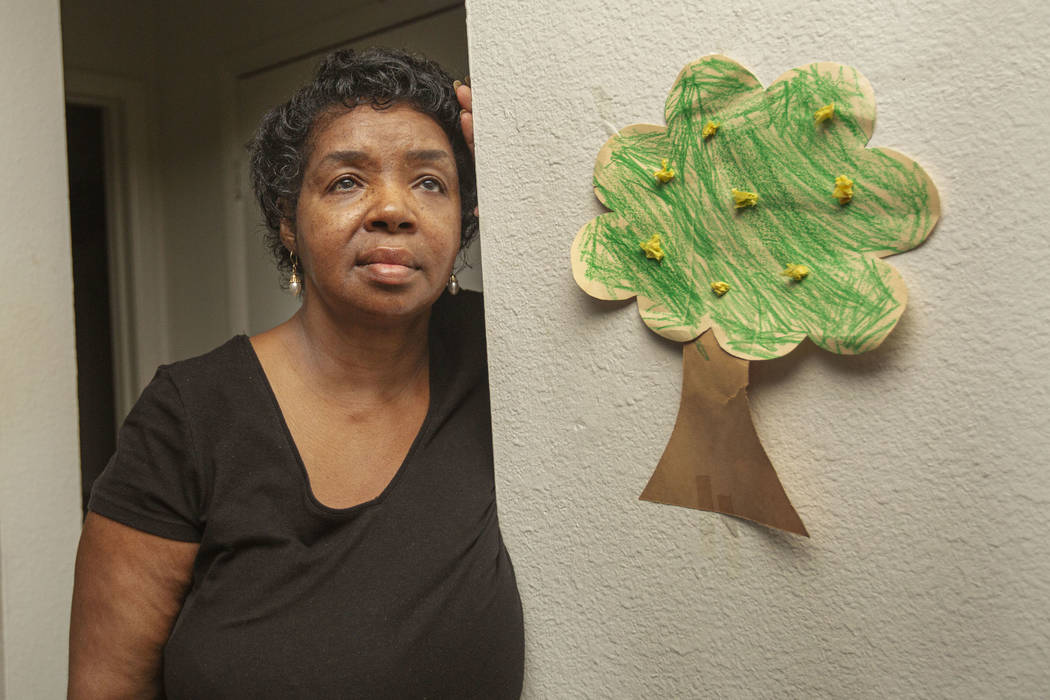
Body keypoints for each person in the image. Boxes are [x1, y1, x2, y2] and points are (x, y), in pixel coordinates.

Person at [68, 48, 524, 698]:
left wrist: (528, 166)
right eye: (346, 181)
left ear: (465, 221)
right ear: (288, 222)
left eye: (430, 182)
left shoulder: (503, 362)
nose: (393, 208)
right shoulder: (188, 416)